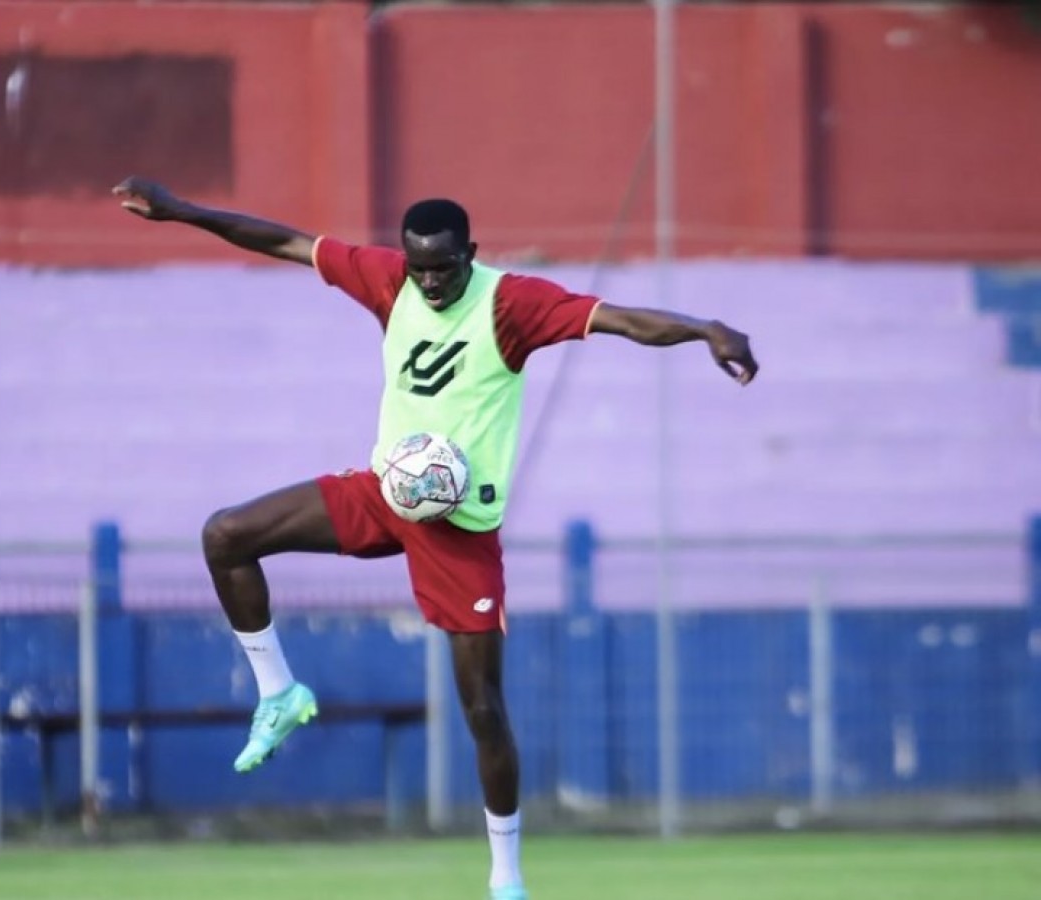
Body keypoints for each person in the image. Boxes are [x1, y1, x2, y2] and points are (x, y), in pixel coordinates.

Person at [112, 177, 759, 900]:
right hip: (389, 493)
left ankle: (506, 878)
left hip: (458, 531)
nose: (429, 281)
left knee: (482, 708)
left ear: (469, 254)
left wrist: (706, 329)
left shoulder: (511, 302)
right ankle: (280, 692)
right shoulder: (391, 282)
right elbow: (285, 241)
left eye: (443, 268)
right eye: (419, 266)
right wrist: (181, 212)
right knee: (227, 535)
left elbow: (621, 321)